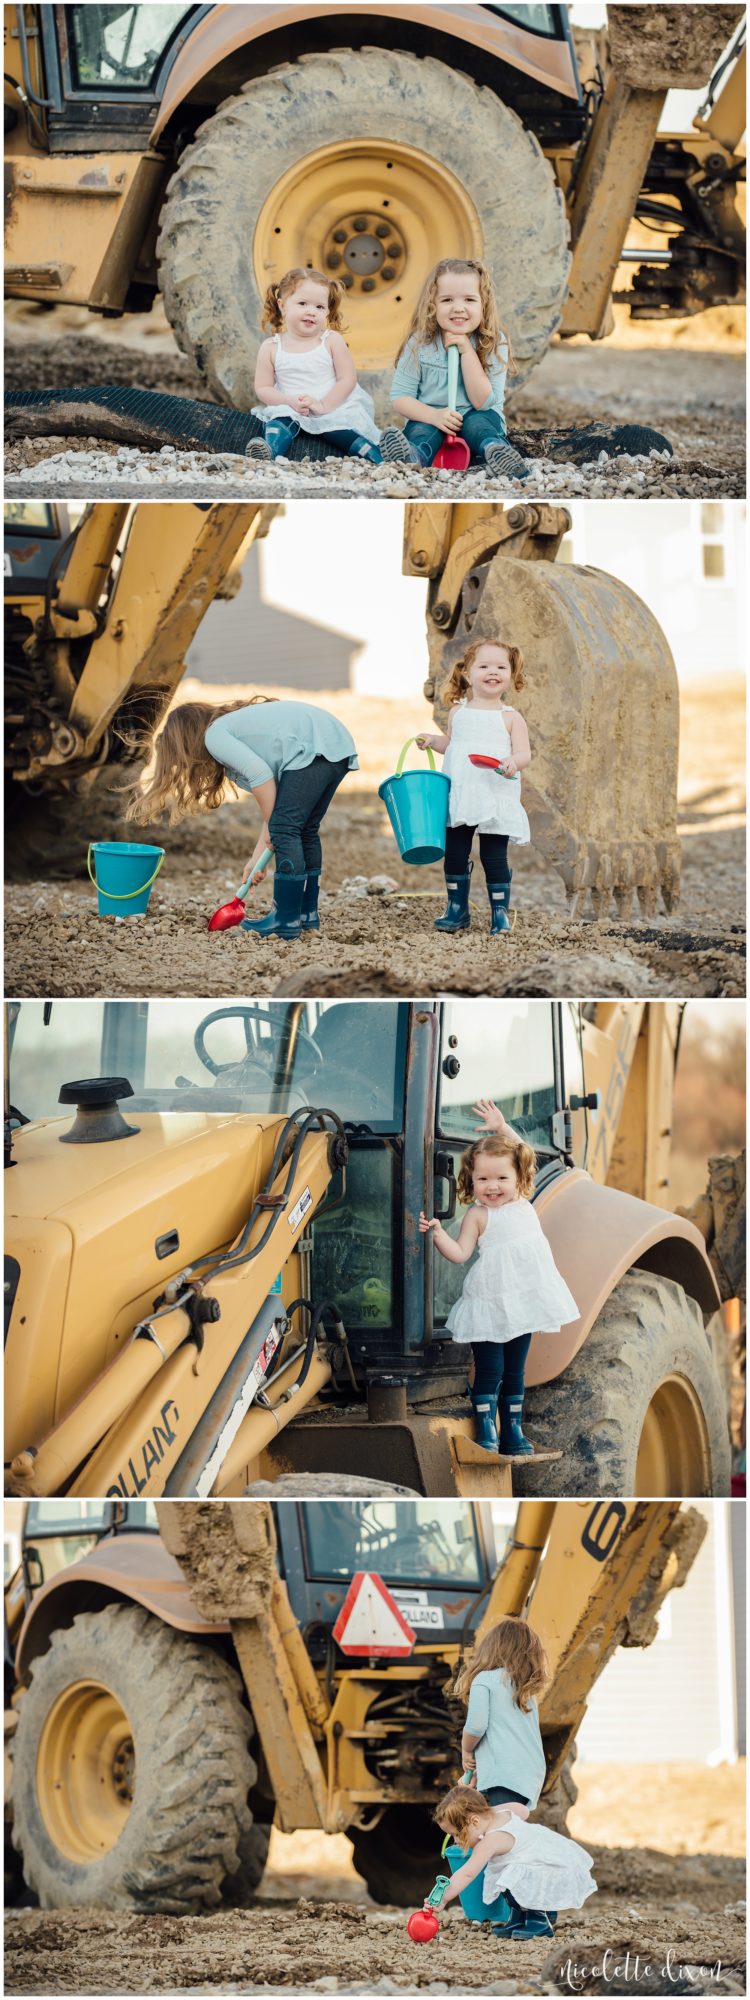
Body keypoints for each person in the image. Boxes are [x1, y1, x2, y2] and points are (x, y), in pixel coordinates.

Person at [125, 694, 357, 939]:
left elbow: (262, 781)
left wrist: (277, 831)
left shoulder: (214, 736)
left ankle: (286, 920)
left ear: (186, 742)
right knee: (304, 829)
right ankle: (306, 915)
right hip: (334, 742)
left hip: (312, 745)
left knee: (287, 828)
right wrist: (257, 861)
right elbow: (276, 810)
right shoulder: (237, 732)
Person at [419, 1133, 578, 1454]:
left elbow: (524, 1152)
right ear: (471, 1180)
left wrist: (501, 1126)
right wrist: (437, 1234)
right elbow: (461, 1253)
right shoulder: (478, 1216)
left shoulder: (523, 1205)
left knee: (515, 1372)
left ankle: (513, 1433)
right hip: (490, 1305)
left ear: (519, 1177)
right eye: (483, 1178)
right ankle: (487, 1431)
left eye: (502, 1178)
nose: (492, 1186)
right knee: (491, 1370)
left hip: (523, 1306)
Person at [418, 637, 531, 935]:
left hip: (494, 793)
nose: (492, 672)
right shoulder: (458, 712)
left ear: (511, 676)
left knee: (493, 855)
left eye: (501, 667)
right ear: (468, 674)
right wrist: (433, 741)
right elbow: (454, 746)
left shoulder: (510, 718)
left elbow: (524, 754)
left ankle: (500, 912)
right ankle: (457, 909)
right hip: (461, 794)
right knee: (455, 853)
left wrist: (512, 762)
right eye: (484, 666)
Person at [248, 267, 412, 465]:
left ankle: (379, 457)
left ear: (327, 310)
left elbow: (348, 379)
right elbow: (263, 388)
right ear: (282, 306)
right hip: (292, 406)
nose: (311, 311)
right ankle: (268, 451)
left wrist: (323, 406)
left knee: (340, 431)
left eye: (319, 307)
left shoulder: (331, 341)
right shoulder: (272, 347)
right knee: (279, 422)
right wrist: (288, 401)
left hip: (333, 405)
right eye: (302, 303)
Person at [383, 258, 528, 480]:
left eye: (469, 299)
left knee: (477, 424)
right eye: (447, 299)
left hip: (479, 415)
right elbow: (400, 398)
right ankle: (412, 456)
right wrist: (433, 415)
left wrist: (466, 351)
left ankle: (497, 451)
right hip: (432, 418)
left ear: (483, 304)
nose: (458, 308)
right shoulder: (420, 343)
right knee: (421, 431)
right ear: (433, 304)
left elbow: (484, 401)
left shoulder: (493, 342)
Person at [432, 1783, 596, 1942]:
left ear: (474, 1821)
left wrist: (444, 1898)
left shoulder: (490, 1841)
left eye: (457, 1834)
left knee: (515, 1877)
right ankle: (519, 1919)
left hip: (544, 1865)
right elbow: (523, 1811)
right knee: (507, 1876)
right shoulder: (503, 1811)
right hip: (552, 1851)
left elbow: (467, 1873)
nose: (456, 1840)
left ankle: (538, 1923)